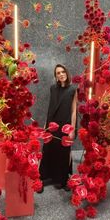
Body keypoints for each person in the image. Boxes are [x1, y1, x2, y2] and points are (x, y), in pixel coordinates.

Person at [39, 64, 77, 192]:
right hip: (52, 123)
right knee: (48, 150)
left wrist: (72, 129)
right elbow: (50, 107)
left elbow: (73, 111)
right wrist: (46, 124)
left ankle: (62, 179)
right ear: (55, 76)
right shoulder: (52, 89)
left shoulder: (73, 90)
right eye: (58, 73)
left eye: (62, 72)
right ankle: (44, 177)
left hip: (65, 125)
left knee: (63, 152)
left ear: (66, 73)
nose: (61, 74)